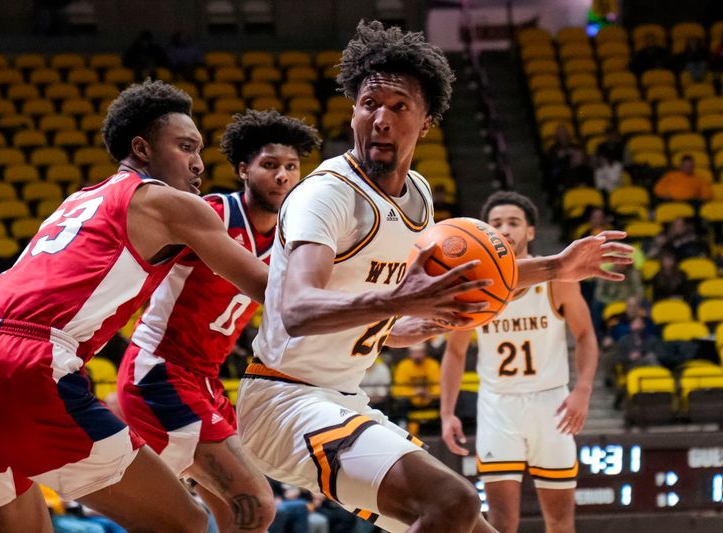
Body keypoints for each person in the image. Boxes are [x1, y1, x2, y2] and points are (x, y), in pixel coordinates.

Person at [235, 20, 632, 533]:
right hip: (285, 401)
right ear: (353, 112)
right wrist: (402, 299)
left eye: (398, 107)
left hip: (344, 398)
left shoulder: (418, 194)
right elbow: (297, 310)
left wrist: (555, 267)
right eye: (369, 103)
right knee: (454, 501)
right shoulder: (326, 194)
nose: (381, 118)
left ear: (424, 123)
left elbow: (464, 281)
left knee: (472, 526)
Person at [0, 79, 271, 533]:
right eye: (186, 146)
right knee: (184, 524)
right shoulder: (167, 202)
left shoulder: (79, 198)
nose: (199, 164)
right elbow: (273, 290)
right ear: (142, 148)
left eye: (200, 149)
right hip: (25, 366)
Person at [117, 109, 321, 533]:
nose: (282, 176)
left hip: (205, 381)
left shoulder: (291, 239)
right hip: (159, 371)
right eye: (269, 165)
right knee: (256, 506)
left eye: (291, 167)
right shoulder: (211, 214)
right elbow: (129, 262)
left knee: (234, 515)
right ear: (244, 170)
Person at [440, 191, 599, 533]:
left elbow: (585, 335)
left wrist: (583, 389)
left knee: (560, 522)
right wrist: (447, 411)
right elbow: (455, 351)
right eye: (496, 224)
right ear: (487, 233)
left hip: (551, 403)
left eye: (514, 222)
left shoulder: (558, 280)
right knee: (500, 524)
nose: (505, 229)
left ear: (530, 232)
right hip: (498, 406)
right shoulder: (473, 288)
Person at [391, 342, 441, 419]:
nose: (417, 355)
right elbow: (397, 390)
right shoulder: (404, 366)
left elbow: (439, 388)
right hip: (410, 402)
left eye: (420, 352)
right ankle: (402, 424)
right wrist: (414, 392)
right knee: (400, 402)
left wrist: (430, 394)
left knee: (443, 401)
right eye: (414, 352)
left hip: (430, 400)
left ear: (425, 353)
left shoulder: (433, 365)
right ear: (409, 353)